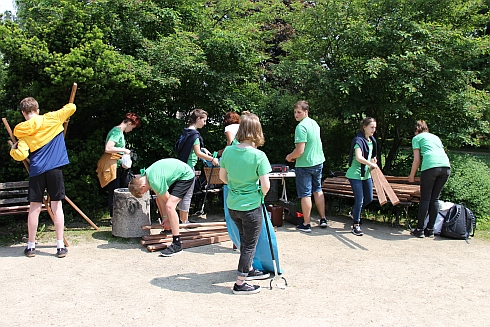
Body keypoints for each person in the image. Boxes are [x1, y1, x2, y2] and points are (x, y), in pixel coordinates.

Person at [8, 97, 76, 258]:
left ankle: (31, 246)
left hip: (37, 170)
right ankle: (60, 246)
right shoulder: (52, 118)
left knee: (34, 208)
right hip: (55, 169)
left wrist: (12, 149)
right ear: (37, 110)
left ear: (23, 113)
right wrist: (65, 112)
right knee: (56, 206)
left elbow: (21, 154)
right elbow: (71, 107)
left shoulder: (22, 132)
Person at [219, 113, 271, 295]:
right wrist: (259, 194)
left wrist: (235, 185)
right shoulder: (259, 155)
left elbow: (222, 177)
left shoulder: (228, 151)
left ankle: (247, 269)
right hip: (251, 206)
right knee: (249, 244)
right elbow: (266, 185)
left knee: (244, 240)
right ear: (257, 131)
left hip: (233, 205)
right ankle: (240, 283)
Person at [128, 158, 195, 256]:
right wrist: (165, 218)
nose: (145, 192)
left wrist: (168, 219)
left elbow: (168, 202)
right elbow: (160, 198)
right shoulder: (147, 176)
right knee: (159, 200)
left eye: (143, 192)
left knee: (170, 206)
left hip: (186, 175)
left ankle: (177, 244)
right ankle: (169, 229)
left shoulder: (154, 181)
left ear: (142, 187)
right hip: (180, 172)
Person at [285, 100, 327, 232]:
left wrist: (290, 157)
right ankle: (323, 219)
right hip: (318, 161)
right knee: (318, 190)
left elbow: (300, 151)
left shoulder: (301, 127)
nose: (296, 115)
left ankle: (306, 224)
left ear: (305, 112)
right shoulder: (314, 123)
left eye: (299, 112)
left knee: (305, 194)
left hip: (305, 164)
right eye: (295, 112)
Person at [175, 109, 219, 224]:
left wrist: (203, 149)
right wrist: (212, 159)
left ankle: (181, 220)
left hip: (181, 166)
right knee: (187, 195)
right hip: (188, 168)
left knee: (182, 194)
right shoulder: (194, 135)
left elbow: (193, 148)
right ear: (198, 119)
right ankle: (184, 222)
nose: (205, 123)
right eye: (204, 120)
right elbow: (198, 153)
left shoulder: (186, 132)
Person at [408, 120, 451, 238]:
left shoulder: (417, 138)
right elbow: (443, 153)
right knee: (435, 199)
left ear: (417, 130)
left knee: (425, 198)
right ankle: (430, 229)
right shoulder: (436, 137)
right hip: (445, 167)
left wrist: (411, 175)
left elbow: (417, 160)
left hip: (431, 167)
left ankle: (420, 229)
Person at [96, 113, 141, 220]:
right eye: (132, 127)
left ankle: (119, 217)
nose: (131, 130)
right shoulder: (116, 132)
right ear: (129, 123)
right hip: (113, 166)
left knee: (119, 190)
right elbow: (108, 148)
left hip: (117, 165)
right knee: (115, 192)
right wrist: (124, 150)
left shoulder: (119, 132)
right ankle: (114, 218)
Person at [346, 117, 378, 236]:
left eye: (375, 127)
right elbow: (359, 157)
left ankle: (354, 213)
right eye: (371, 127)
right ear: (364, 127)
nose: (373, 130)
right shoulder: (358, 140)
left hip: (366, 174)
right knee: (359, 200)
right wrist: (371, 164)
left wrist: (373, 159)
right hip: (355, 174)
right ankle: (356, 225)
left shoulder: (371, 140)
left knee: (368, 198)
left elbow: (370, 155)